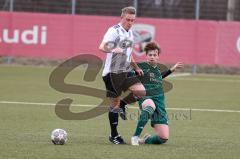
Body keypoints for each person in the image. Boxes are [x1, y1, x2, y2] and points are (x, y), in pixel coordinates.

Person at [99, 6, 146, 144]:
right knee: (114, 103)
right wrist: (113, 48)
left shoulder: (131, 33)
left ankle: (123, 104)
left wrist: (136, 67)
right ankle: (114, 135)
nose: (130, 22)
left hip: (125, 71)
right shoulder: (113, 31)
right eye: (128, 19)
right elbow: (101, 47)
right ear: (122, 17)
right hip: (112, 73)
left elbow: (129, 54)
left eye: (133, 20)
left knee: (141, 91)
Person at [129, 42, 183, 145]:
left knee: (163, 138)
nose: (152, 57)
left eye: (154, 55)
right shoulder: (141, 66)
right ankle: (135, 137)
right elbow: (128, 75)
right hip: (146, 98)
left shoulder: (157, 69)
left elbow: (158, 77)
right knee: (150, 106)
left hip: (160, 103)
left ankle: (145, 140)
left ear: (158, 56)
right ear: (146, 56)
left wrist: (171, 69)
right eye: (150, 55)